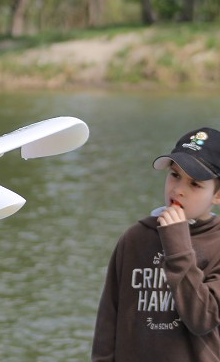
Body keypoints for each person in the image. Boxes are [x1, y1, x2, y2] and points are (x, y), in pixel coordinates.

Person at [91, 127, 220, 361]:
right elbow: (108, 322)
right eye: (175, 175)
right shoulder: (136, 237)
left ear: (218, 196)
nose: (178, 190)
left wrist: (178, 244)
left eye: (195, 185)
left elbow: (202, 319)